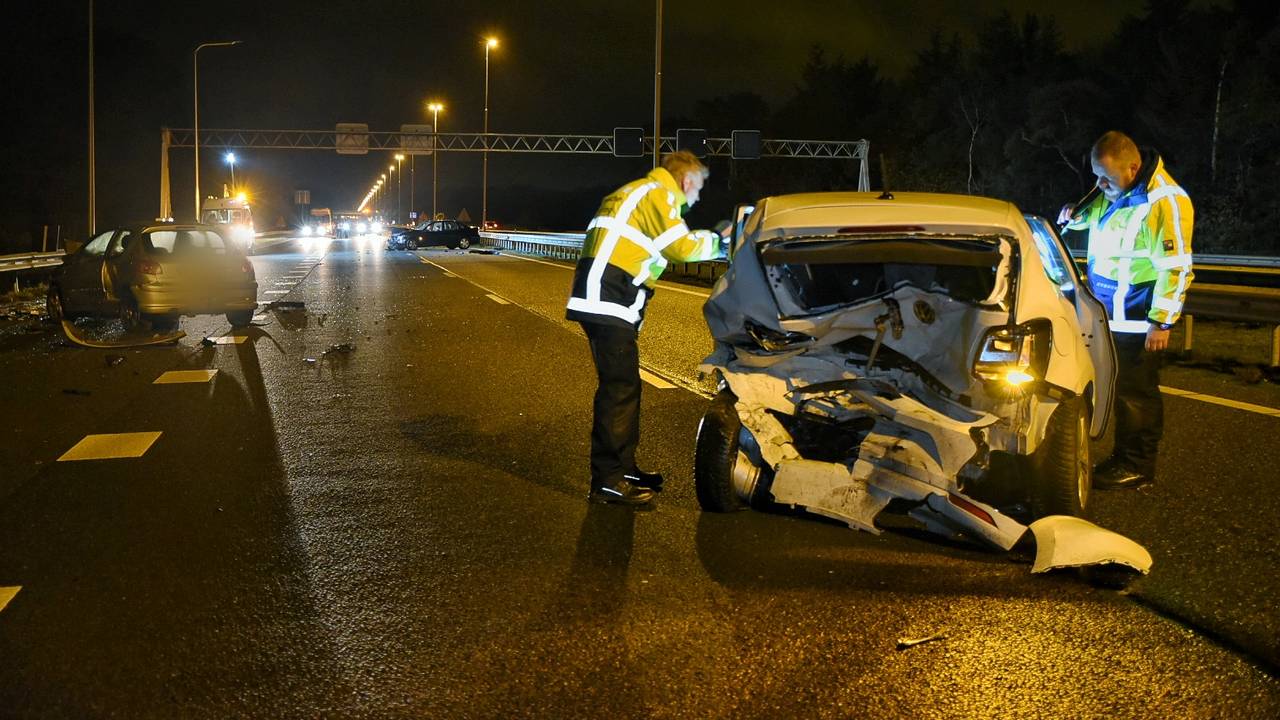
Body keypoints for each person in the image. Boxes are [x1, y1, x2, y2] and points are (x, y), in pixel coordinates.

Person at [566, 150, 727, 505]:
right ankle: (608, 480)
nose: (697, 197)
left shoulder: (637, 192)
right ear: (687, 181)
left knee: (624, 385)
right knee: (619, 388)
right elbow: (680, 248)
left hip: (605, 294)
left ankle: (622, 469)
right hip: (609, 295)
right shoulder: (658, 194)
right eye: (698, 189)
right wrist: (721, 242)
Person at [1058, 131, 1194, 490]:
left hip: (1137, 318)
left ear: (1132, 168)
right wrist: (1076, 216)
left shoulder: (1165, 201)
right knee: (1116, 389)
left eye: (1106, 176)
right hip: (1108, 314)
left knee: (1136, 392)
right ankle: (1123, 457)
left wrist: (1160, 323)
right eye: (1096, 175)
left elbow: (1176, 268)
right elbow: (1106, 223)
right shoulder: (1117, 190)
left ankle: (1136, 466)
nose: (1099, 184)